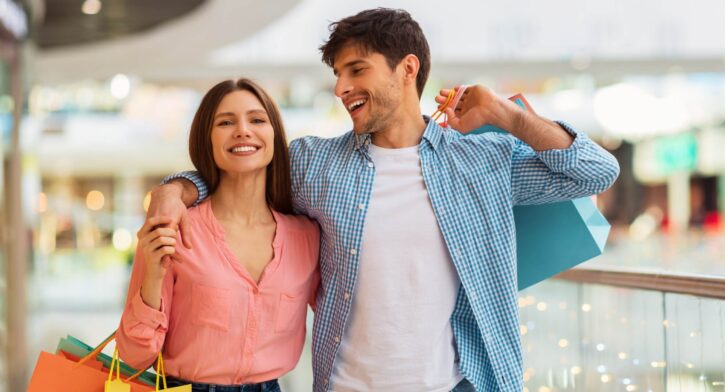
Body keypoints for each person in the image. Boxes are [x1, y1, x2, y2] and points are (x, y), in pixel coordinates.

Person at [148, 8, 619, 392]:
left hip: (460, 383)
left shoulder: (482, 161)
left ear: (407, 68)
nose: (340, 88)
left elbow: (596, 171)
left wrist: (505, 114)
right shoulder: (316, 165)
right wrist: (177, 190)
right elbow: (240, 171)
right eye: (337, 74)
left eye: (356, 70)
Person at [116, 78, 320, 392]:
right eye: (226, 122)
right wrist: (153, 277)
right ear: (206, 140)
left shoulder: (305, 238)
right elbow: (132, 357)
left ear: (274, 135)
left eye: (256, 119)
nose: (243, 130)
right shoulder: (174, 227)